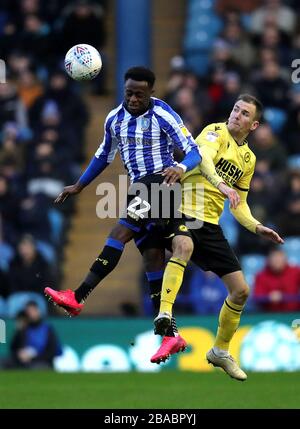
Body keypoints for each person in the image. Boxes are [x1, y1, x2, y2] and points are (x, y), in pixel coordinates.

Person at [44, 66, 203, 334]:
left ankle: (78, 296)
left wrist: (181, 168)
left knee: (119, 232)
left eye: (140, 95)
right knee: (152, 256)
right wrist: (79, 186)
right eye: (129, 93)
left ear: (151, 92)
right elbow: (103, 156)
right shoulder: (114, 119)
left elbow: (193, 151)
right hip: (139, 188)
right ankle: (169, 333)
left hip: (162, 185)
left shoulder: (164, 115)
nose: (133, 99)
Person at [138, 94, 284, 379]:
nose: (236, 116)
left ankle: (219, 350)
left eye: (244, 114)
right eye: (235, 109)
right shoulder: (214, 131)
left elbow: (238, 204)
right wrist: (220, 184)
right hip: (182, 210)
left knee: (241, 291)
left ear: (253, 126)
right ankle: (165, 315)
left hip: (210, 224)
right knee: (183, 245)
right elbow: (202, 159)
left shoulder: (248, 159)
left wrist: (256, 226)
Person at [0, 301, 61, 370]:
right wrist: (18, 331)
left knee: (36, 367)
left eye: (32, 311)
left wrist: (32, 357)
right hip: (22, 361)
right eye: (28, 312)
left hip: (41, 361)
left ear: (38, 311)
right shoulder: (23, 329)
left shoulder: (47, 329)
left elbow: (51, 352)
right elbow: (13, 348)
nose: (30, 314)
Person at [253, 248, 300, 312]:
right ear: (269, 261)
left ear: (285, 260)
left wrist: (283, 296)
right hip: (269, 315)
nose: (277, 262)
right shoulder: (261, 276)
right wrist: (269, 297)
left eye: (279, 260)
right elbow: (257, 297)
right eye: (274, 260)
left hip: (294, 313)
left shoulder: (296, 272)